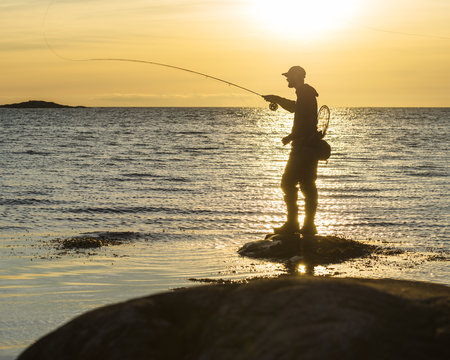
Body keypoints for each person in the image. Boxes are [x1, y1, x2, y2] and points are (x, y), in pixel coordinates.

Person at [263, 66, 320, 235]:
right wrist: (276, 98)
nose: (287, 79)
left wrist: (290, 137)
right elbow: (295, 108)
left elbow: (305, 122)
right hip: (307, 148)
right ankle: (306, 225)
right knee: (307, 185)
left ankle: (295, 224)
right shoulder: (304, 93)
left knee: (289, 183)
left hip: (303, 148)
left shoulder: (305, 93)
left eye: (289, 77)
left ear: (297, 76)